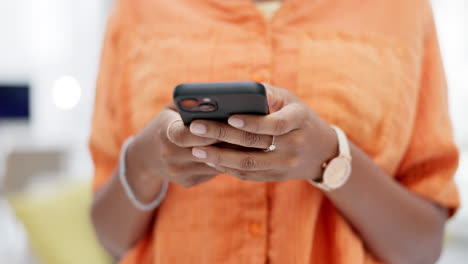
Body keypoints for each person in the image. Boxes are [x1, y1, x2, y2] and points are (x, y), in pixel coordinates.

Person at [90, 0, 460, 263]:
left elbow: (422, 247)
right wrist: (142, 163)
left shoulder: (403, 9)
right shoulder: (136, 10)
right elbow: (110, 238)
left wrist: (330, 158)